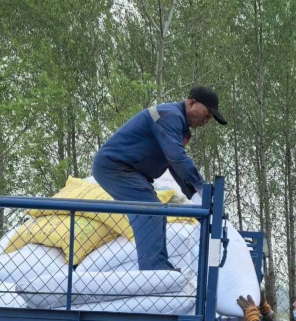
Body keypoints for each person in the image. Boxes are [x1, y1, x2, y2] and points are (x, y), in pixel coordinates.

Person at [92, 86, 227, 270]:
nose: (207, 119)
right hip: (114, 167)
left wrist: (193, 194)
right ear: (192, 102)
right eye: (208, 113)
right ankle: (153, 271)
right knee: (150, 211)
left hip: (128, 170)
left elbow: (173, 164)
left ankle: (159, 266)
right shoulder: (170, 116)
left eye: (211, 117)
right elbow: (177, 157)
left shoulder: (178, 123)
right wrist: (202, 187)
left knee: (156, 211)